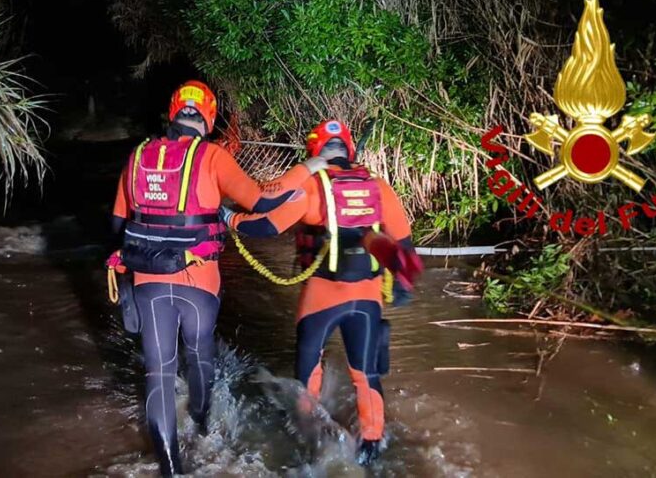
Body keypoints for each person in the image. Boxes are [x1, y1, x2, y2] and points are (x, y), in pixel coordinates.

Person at [105, 80, 328, 476]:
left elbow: (118, 223)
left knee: (159, 371)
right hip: (198, 282)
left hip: (148, 281)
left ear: (172, 113)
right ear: (208, 118)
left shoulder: (138, 156)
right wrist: (309, 167)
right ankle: (203, 424)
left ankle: (171, 468)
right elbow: (261, 199)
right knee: (198, 354)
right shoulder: (212, 156)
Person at [222, 119, 422, 465]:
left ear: (315, 151)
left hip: (322, 297)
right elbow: (404, 243)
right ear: (350, 150)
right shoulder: (378, 187)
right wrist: (403, 285)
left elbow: (266, 225)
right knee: (366, 373)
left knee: (308, 368)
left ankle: (308, 439)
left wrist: (229, 219)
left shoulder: (314, 186)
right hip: (368, 297)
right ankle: (372, 446)